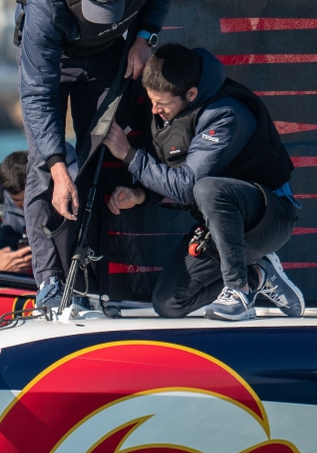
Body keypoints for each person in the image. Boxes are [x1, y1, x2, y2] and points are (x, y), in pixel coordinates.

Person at [16, 0, 179, 307]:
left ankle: (93, 273)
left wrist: (144, 38)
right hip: (52, 64)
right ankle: (50, 282)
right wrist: (59, 169)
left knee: (99, 155)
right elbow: (36, 94)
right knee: (44, 168)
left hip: (107, 55)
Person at [103, 43, 306, 321]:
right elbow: (171, 170)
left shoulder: (226, 113)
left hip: (269, 218)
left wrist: (129, 155)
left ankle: (239, 291)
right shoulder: (167, 110)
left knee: (206, 188)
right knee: (169, 303)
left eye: (161, 104)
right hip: (221, 226)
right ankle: (259, 275)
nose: (154, 110)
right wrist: (141, 195)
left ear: (191, 94)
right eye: (151, 100)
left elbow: (188, 186)